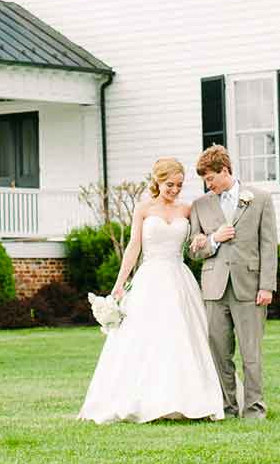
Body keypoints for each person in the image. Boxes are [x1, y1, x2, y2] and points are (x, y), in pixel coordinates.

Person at [77, 157, 225, 424]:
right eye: (170, 184)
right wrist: (119, 283)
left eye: (179, 185)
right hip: (150, 279)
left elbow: (195, 240)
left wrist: (200, 240)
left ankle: (189, 400)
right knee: (145, 339)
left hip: (179, 279)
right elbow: (134, 246)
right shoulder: (143, 208)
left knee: (182, 337)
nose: (175, 190)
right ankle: (144, 399)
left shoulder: (187, 209)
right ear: (158, 181)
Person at [187, 144, 278, 419]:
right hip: (214, 289)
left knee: (251, 353)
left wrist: (266, 286)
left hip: (250, 288)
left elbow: (269, 245)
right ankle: (227, 407)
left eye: (210, 178)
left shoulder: (260, 198)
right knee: (219, 353)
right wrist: (213, 239)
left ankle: (254, 409)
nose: (208, 185)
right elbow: (192, 251)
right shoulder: (200, 206)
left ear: (224, 170)